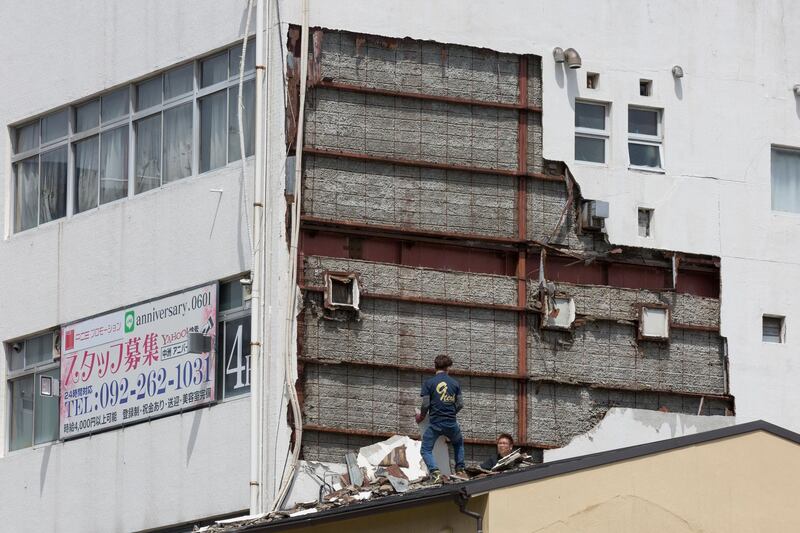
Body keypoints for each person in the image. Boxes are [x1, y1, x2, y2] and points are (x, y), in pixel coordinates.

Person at [415, 354, 465, 483]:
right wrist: (451, 413)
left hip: (436, 424)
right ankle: (460, 469)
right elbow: (460, 404)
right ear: (448, 368)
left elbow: (425, 404)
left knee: (425, 449)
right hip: (451, 424)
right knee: (458, 444)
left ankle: (435, 473)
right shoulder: (455, 383)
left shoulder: (429, 383)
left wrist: (421, 417)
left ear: (435, 366)